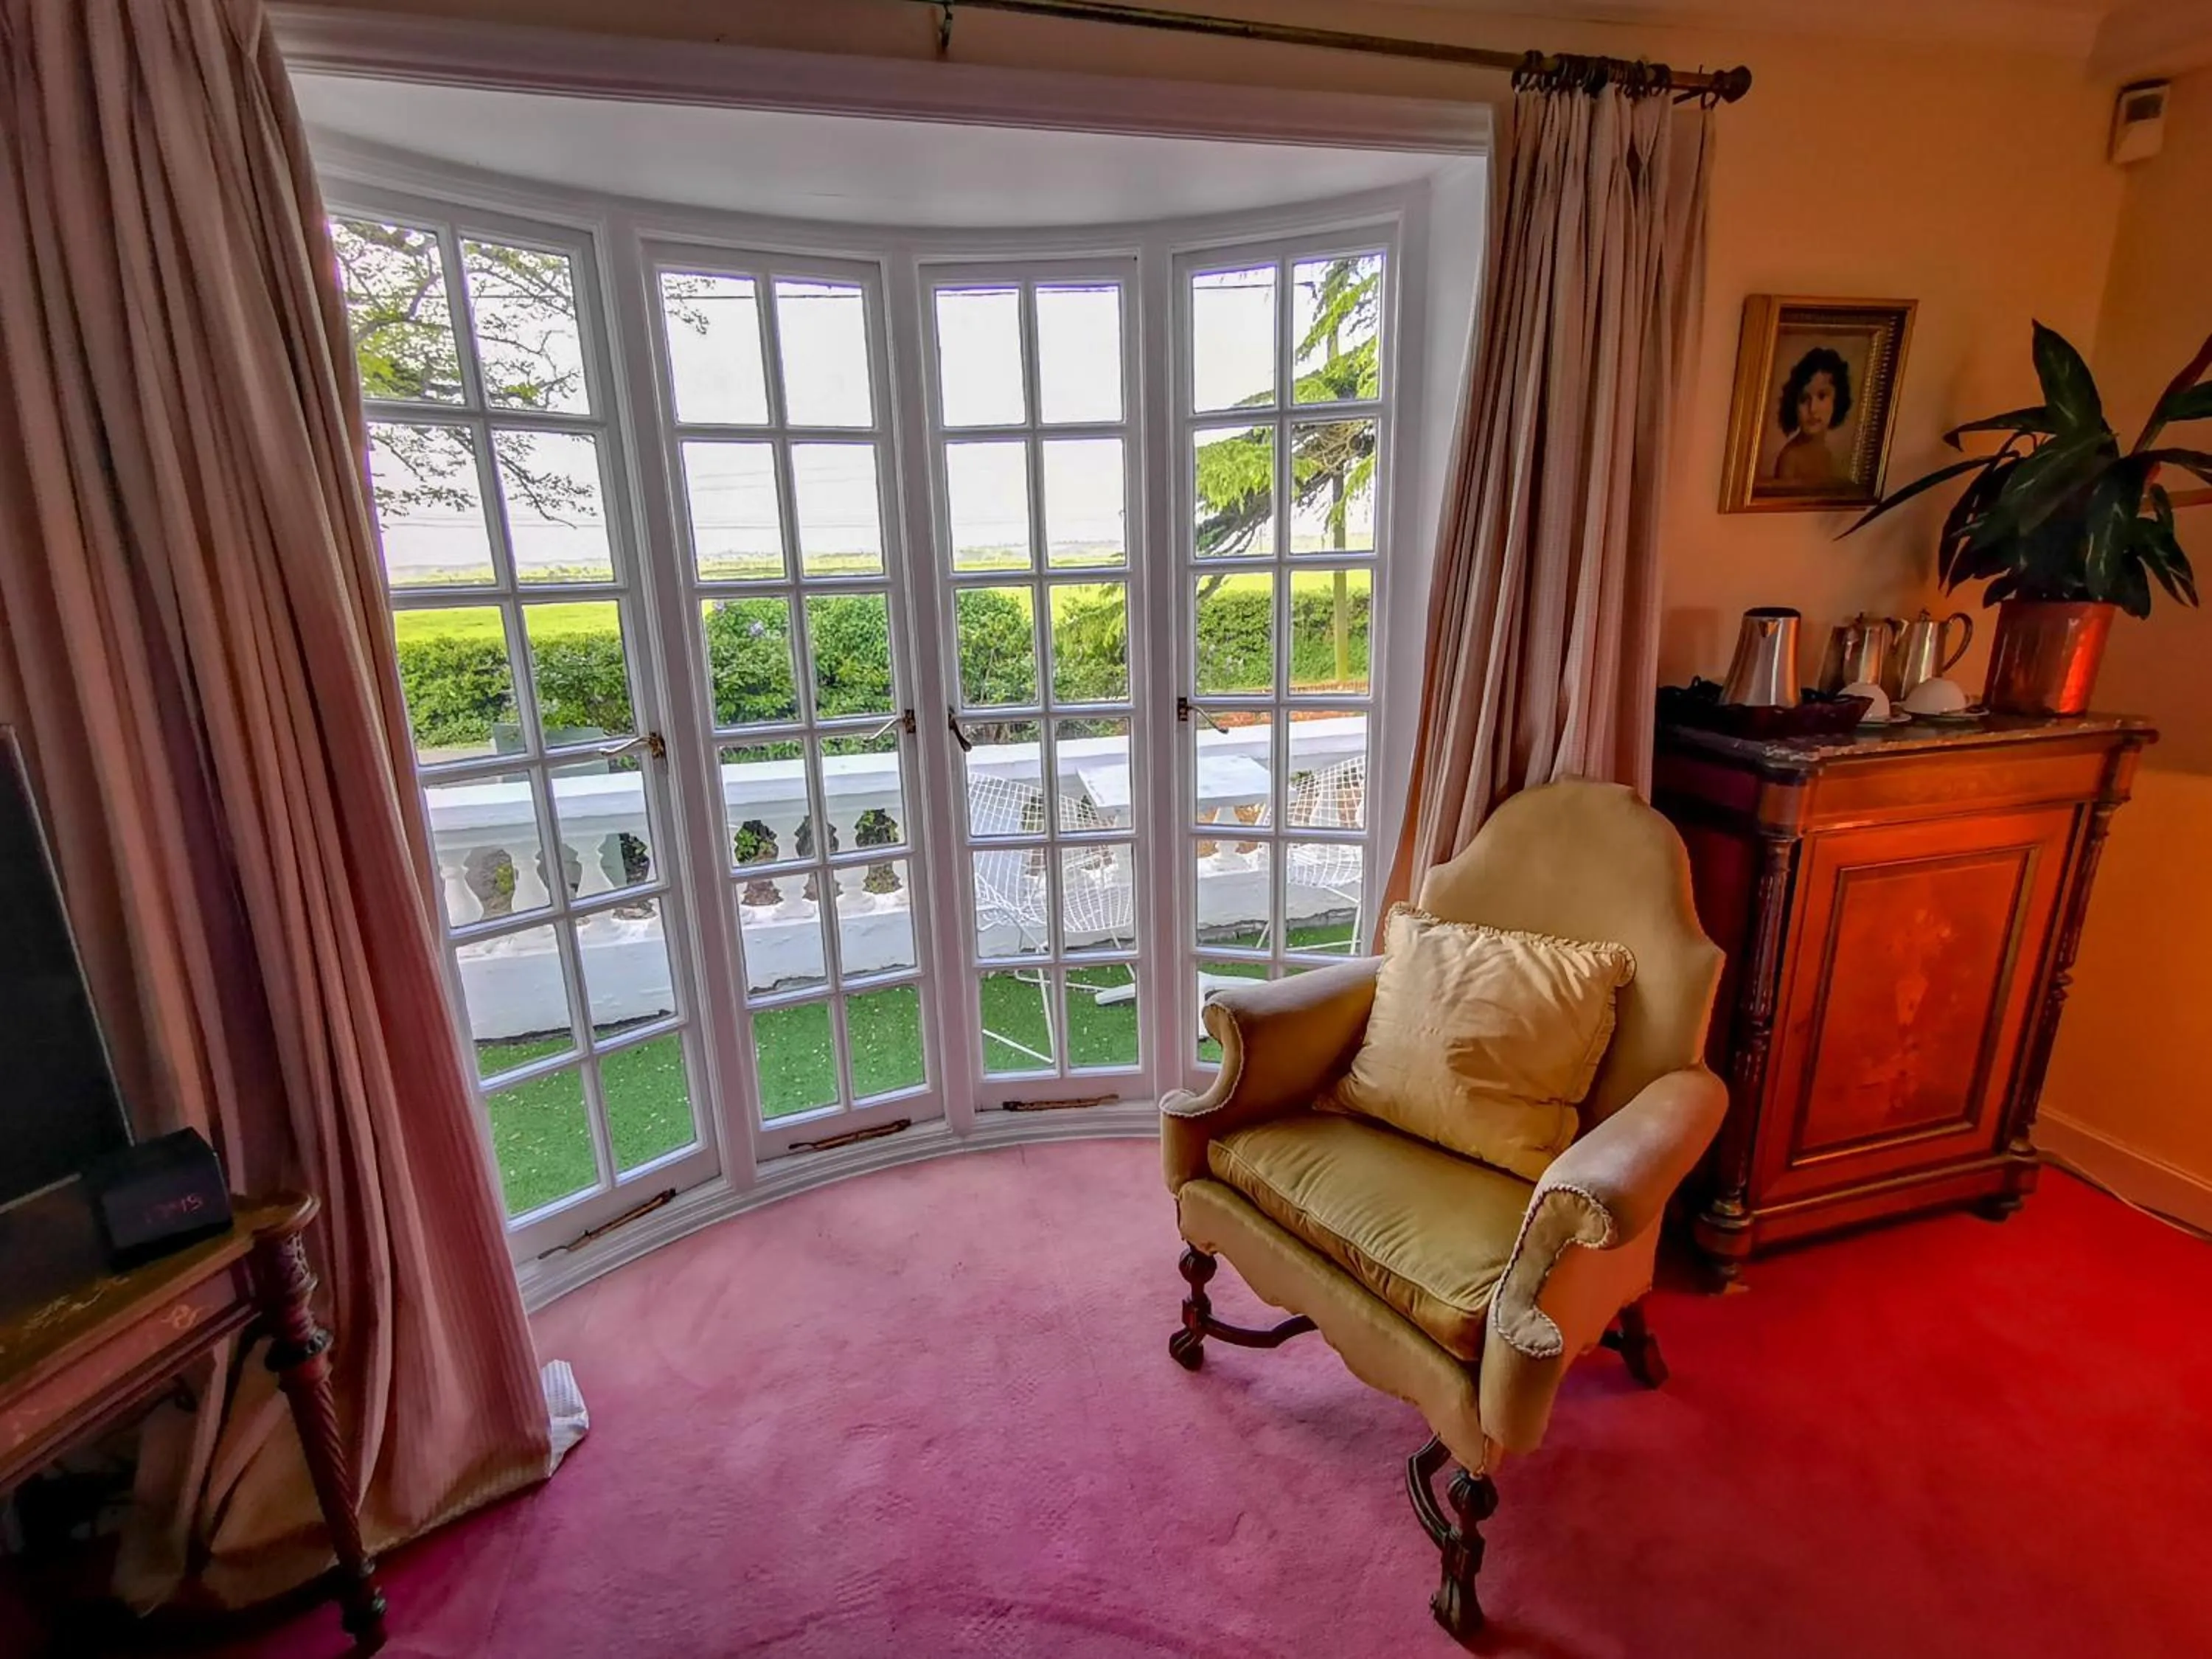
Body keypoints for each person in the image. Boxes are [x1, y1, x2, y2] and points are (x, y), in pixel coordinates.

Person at [1770, 346, 1853, 487]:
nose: (1813, 409)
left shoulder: (1829, 455)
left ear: (1837, 399)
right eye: (1804, 399)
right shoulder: (1791, 458)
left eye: (1821, 396)